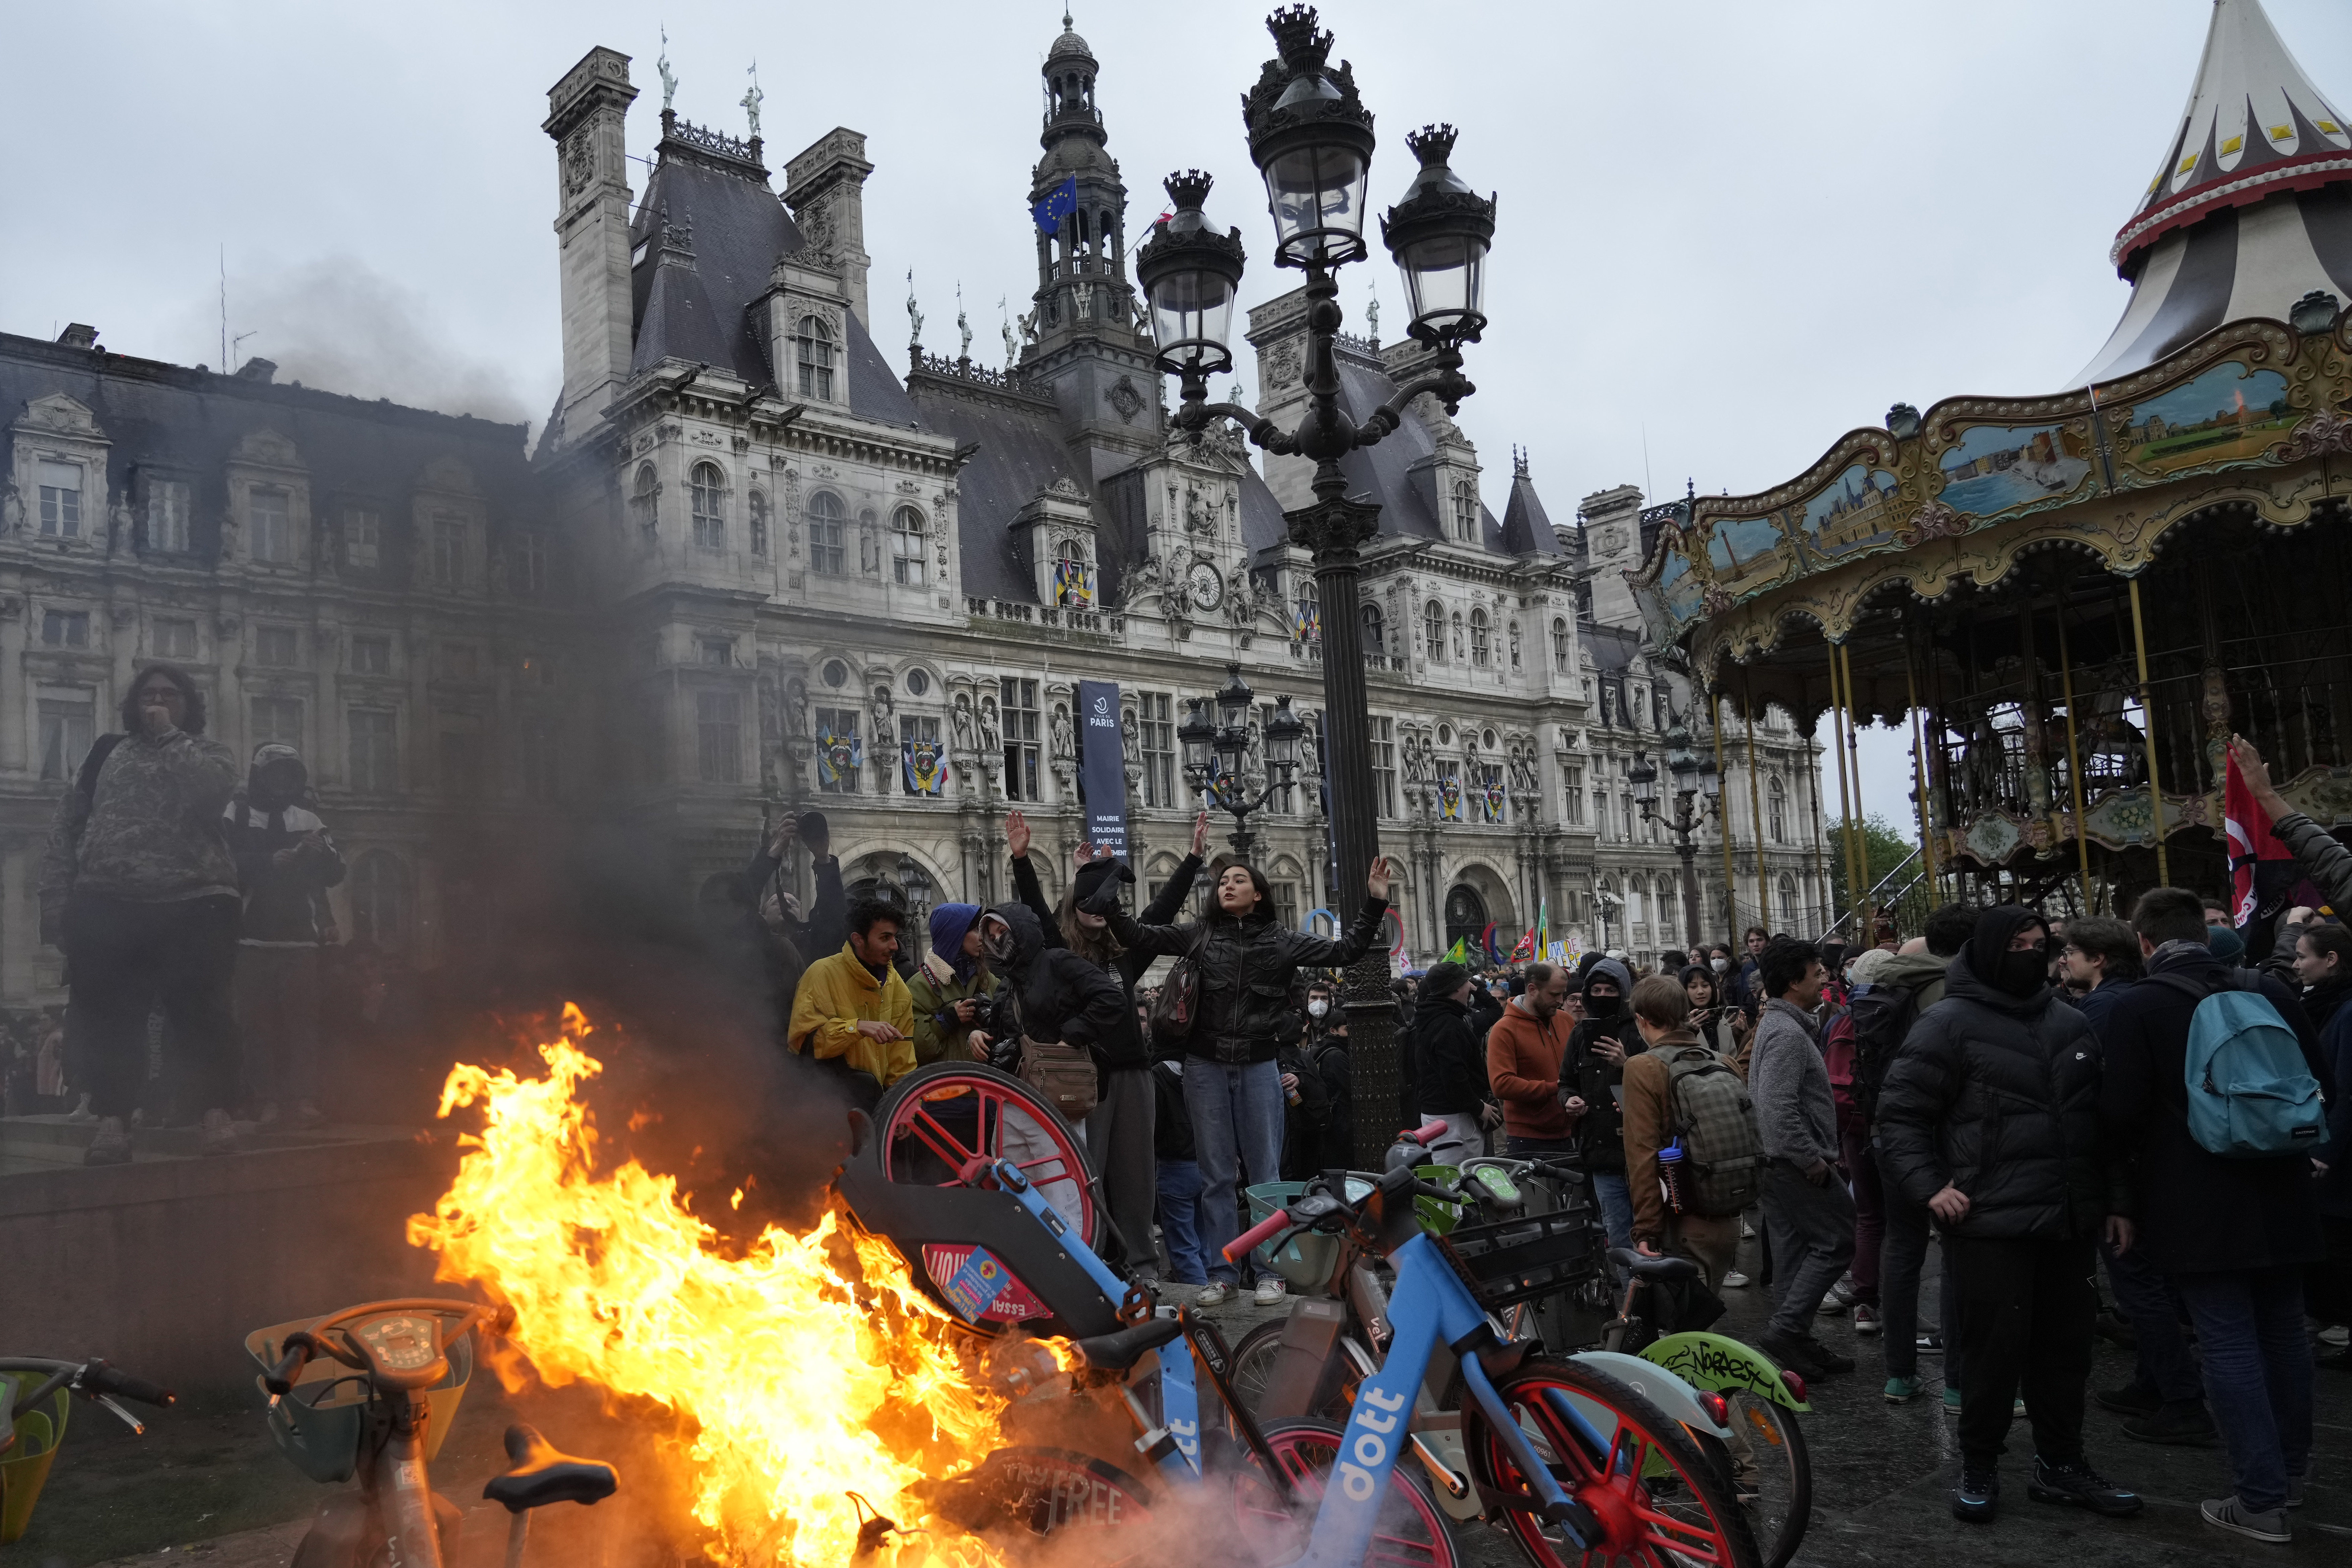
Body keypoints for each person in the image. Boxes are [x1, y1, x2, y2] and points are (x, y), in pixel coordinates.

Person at [1879, 905, 2138, 1525]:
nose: (2031, 953)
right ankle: (1978, 1463)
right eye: (2018, 944)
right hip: (1989, 1217)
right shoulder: (1947, 1023)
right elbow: (1900, 1115)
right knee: (1991, 1351)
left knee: (2064, 1349)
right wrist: (1930, 1185)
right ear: (1992, 950)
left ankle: (2061, 1463)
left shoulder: (2070, 1023)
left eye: (2039, 943)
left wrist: (2116, 1201)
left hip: (2066, 1216)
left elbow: (2100, 1127)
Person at [2100, 886, 2329, 1542]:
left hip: (2194, 1194)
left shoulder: (2142, 1004)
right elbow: (2324, 1088)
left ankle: (2258, 1500)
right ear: (2205, 933)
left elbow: (2118, 1114)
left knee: (2226, 1338)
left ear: (2145, 941)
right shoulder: (2271, 989)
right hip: (2283, 1188)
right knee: (2286, 1334)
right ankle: (2289, 1475)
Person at [1107, 853, 1391, 1307]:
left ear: (1258, 894)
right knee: (1216, 1177)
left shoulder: (1281, 941)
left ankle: (1269, 1272)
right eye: (1223, 882)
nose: (1228, 886)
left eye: (1239, 880)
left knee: (1264, 1176)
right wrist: (1105, 893)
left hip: (1259, 1065)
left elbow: (1346, 951)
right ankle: (1223, 1273)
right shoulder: (1199, 935)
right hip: (1204, 1066)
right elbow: (1137, 934)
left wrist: (1376, 902)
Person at [39, 664, 242, 1163]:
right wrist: (56, 900)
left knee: (201, 1013)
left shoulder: (210, 754)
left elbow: (210, 796)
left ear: (188, 706)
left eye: (170, 695)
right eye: (148, 694)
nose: (157, 702)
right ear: (132, 704)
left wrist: (170, 737)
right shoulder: (106, 753)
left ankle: (214, 1114)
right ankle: (113, 1120)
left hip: (193, 899)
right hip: (109, 900)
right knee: (111, 1017)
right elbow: (66, 825)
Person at [1006, 808, 1205, 1288]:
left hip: (1134, 1073)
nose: (1098, 908)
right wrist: (1022, 860)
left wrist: (1194, 858)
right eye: (1088, 900)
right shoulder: (1062, 957)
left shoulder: (1126, 954)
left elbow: (1160, 913)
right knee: (1085, 1172)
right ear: (1073, 906)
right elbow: (1035, 914)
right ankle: (1088, 1259)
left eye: (1106, 900)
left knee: (1137, 1176)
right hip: (1084, 1074)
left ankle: (1141, 1265)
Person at [968, 901, 1129, 1232]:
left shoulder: (1058, 961)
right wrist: (977, 1036)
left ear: (1022, 930)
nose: (998, 939)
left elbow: (1111, 998)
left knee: (1063, 1191)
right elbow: (1001, 1033)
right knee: (1014, 1187)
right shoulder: (1007, 984)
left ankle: (1077, 1270)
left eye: (1003, 930)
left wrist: (1071, 1037)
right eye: (991, 934)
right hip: (1013, 1098)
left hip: (1055, 1098)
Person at [1747, 937, 1855, 1380]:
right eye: (1817, 973)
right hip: (1793, 1163)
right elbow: (1776, 1106)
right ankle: (1789, 1329)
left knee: (1793, 1251)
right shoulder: (1787, 1033)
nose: (1826, 977)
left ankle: (1796, 1340)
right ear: (1794, 983)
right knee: (1839, 1240)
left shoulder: (1782, 1025)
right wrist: (1810, 1158)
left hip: (1779, 1162)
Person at [223, 743, 345, 1130]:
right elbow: (220, 861)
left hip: (299, 940)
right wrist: (265, 863)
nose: (282, 782)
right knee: (257, 1025)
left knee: (302, 1025)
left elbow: (335, 872)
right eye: (274, 774)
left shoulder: (309, 818)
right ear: (260, 776)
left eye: (289, 775)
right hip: (251, 938)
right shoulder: (236, 814)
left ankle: (304, 1099)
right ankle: (266, 1099)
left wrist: (318, 854)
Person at [1623, 973, 1755, 1289]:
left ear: (1642, 1020)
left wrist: (1646, 1230)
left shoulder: (1643, 1066)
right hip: (1727, 1216)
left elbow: (1642, 1154)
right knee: (1706, 1319)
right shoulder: (1723, 1062)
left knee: (1685, 1334)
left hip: (1680, 1221)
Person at [786, 898, 917, 1109]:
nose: (895, 946)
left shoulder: (898, 987)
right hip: (824, 1106)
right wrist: (855, 1028)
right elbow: (803, 1043)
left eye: (895, 937)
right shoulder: (821, 973)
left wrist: (904, 1107)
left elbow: (902, 1058)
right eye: (885, 937)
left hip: (877, 1106)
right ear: (858, 939)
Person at [1565, 957, 1640, 1248]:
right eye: (1596, 990)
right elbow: (1566, 1081)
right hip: (1600, 1152)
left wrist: (1626, 1064)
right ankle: (1630, 1293)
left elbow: (1659, 1081)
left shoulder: (1639, 1029)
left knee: (1648, 1234)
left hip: (1639, 1154)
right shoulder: (1579, 1034)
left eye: (1610, 990)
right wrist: (1568, 1100)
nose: (1603, 997)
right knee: (1619, 1236)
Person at [1487, 962, 1578, 1159]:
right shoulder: (1504, 1029)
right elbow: (1502, 1085)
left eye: (1563, 994)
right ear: (1532, 989)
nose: (1561, 1001)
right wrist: (1556, 1088)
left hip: (1569, 1134)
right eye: (1554, 995)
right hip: (1527, 1140)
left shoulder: (1565, 1021)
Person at [1409, 962, 1490, 1171]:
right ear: (1455, 988)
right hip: (1455, 1118)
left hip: (1437, 1112)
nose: (1470, 987)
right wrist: (1479, 1108)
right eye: (1466, 983)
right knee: (1460, 1182)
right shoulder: (1449, 1023)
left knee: (1447, 1177)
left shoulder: (1429, 1016)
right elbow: (1454, 1076)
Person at [908, 902, 994, 1068]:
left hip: (984, 1085)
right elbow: (915, 1050)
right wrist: (947, 1021)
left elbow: (1010, 1028)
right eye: (976, 930)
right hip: (943, 1088)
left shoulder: (986, 978)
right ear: (955, 934)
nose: (983, 937)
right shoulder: (918, 986)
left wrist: (981, 1033)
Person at [1151, 1055, 1211, 1290]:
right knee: (1203, 1239)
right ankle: (1211, 1284)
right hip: (1205, 1164)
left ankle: (1197, 1291)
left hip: (1173, 1166)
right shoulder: (1202, 1070)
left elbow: (1153, 1124)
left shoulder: (1158, 1076)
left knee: (1183, 1244)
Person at [1298, 977, 1354, 1172]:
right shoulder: (1301, 1029)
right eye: (1314, 998)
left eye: (1324, 997)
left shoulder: (1335, 1033)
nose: (1319, 1003)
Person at [1680, 964, 1750, 1076]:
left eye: (1706, 985)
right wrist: (1688, 1032)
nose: (1700, 991)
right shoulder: (1678, 1023)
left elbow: (1733, 1060)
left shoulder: (1721, 1021)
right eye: (1693, 987)